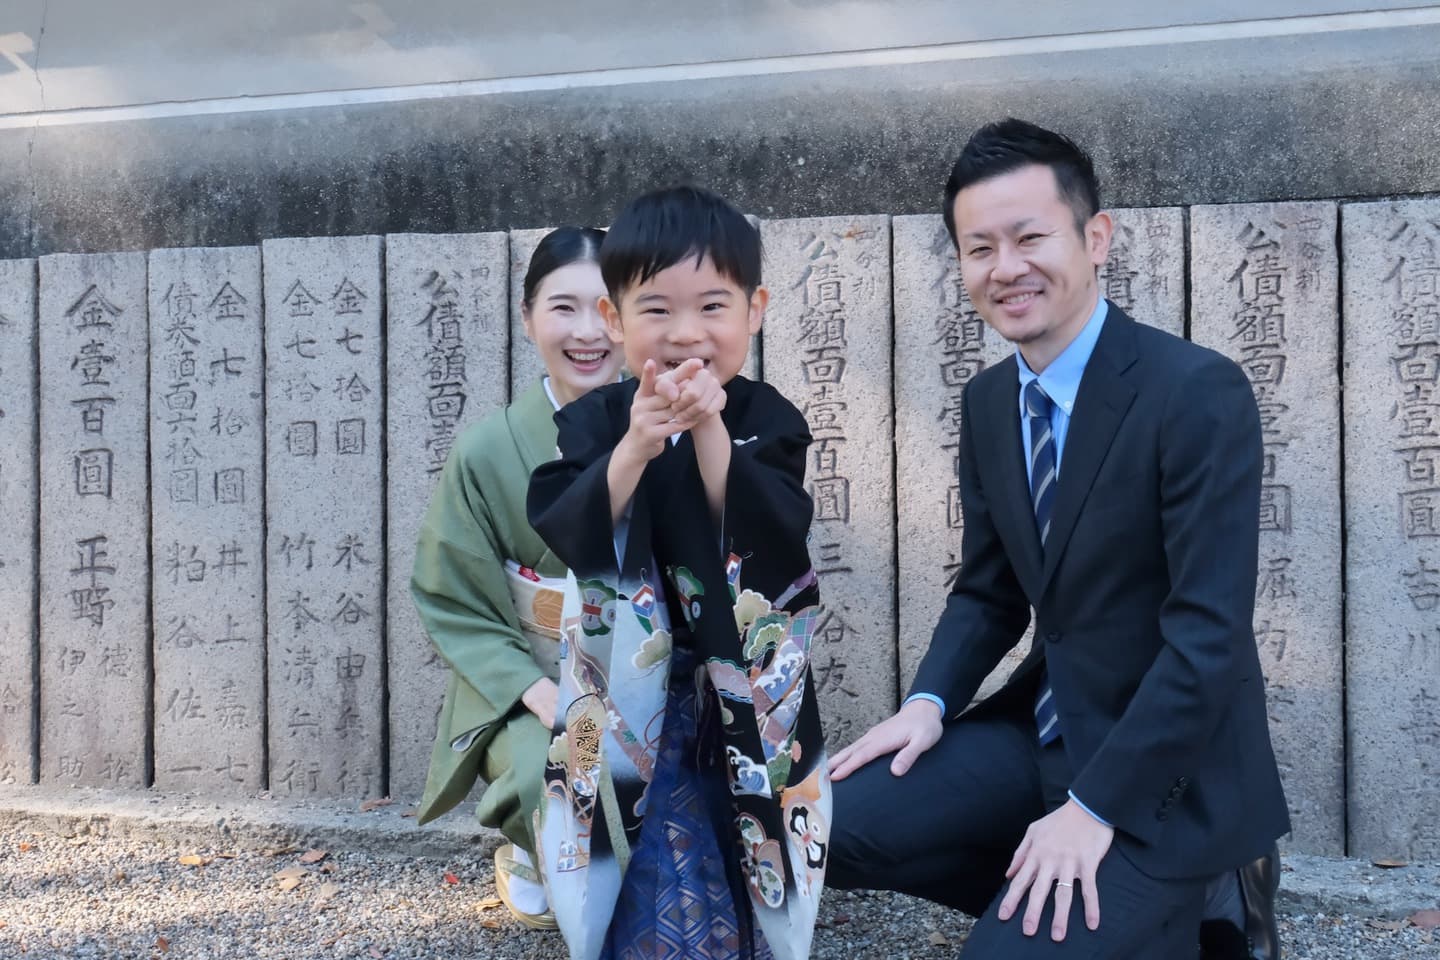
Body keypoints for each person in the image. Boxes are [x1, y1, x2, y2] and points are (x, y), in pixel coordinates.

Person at [824, 119, 1289, 960]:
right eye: (979, 248)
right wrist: (926, 705)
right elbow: (991, 588)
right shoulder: (990, 401)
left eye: (1029, 237)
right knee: (822, 829)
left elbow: (1208, 641)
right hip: (1044, 729)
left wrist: (1095, 808)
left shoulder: (1196, 392)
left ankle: (1207, 885)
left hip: (1171, 774)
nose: (1006, 268)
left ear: (1095, 237)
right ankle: (1116, 915)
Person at [527, 185, 829, 960]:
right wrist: (633, 446)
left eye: (713, 307)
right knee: (649, 868)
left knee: (752, 860)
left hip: (740, 695)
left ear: (755, 310)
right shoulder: (597, 420)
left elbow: (775, 529)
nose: (686, 333)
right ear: (616, 319)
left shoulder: (768, 418)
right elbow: (569, 531)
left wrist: (709, 431)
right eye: (656, 309)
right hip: (631, 703)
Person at [411, 226, 623, 930]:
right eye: (564, 308)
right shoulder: (487, 450)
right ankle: (539, 845)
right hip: (541, 680)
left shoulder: (667, 430)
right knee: (566, 772)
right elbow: (453, 597)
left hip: (650, 674)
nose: (590, 331)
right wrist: (541, 693)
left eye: (610, 305)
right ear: (527, 316)